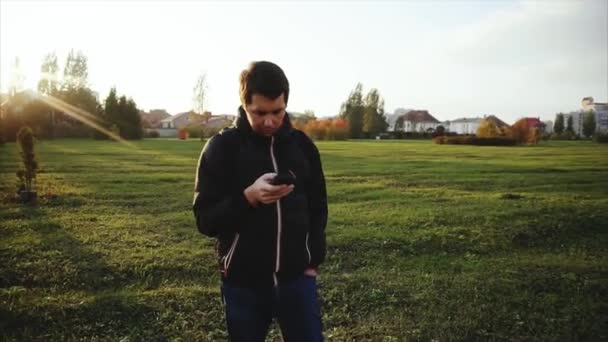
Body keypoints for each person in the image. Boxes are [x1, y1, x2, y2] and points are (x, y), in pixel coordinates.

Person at [193, 61, 327, 341]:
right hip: (244, 284)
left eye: (277, 112)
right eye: (260, 113)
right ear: (244, 105)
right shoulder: (222, 148)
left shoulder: (302, 146)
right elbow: (205, 220)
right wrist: (248, 197)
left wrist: (313, 261)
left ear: (286, 103)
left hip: (297, 280)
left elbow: (318, 208)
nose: (269, 121)